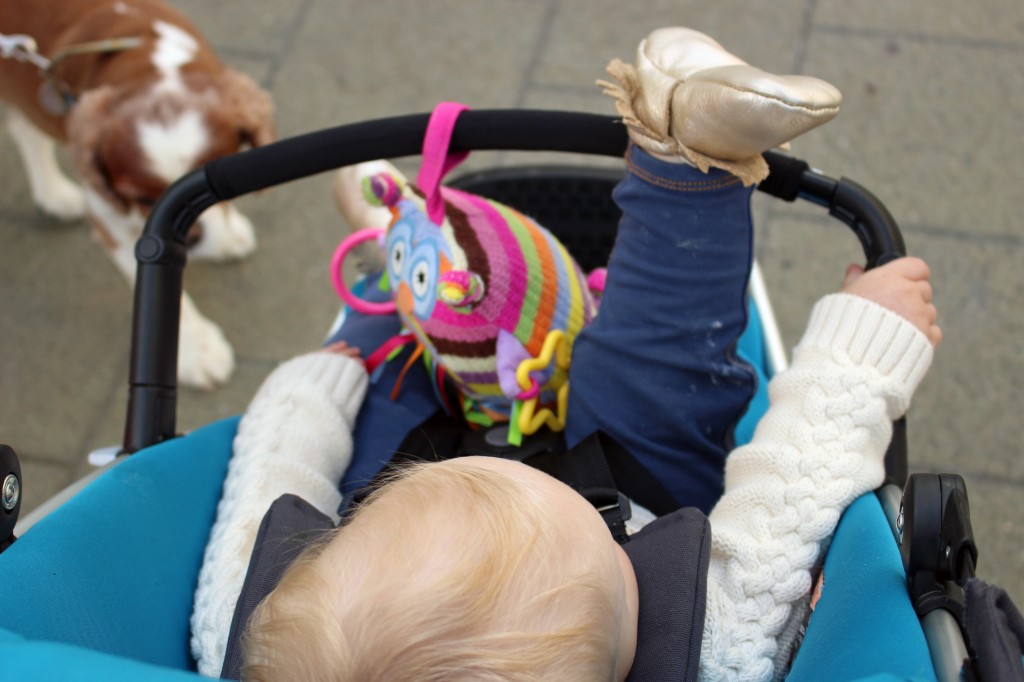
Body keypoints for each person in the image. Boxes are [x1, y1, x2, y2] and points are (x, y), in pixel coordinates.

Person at [191, 27, 940, 682]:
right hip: (626, 485)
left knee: (380, 362)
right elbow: (789, 499)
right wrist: (864, 340)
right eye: (618, 569)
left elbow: (270, 478)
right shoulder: (717, 653)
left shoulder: (256, 633)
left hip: (398, 490)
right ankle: (688, 155)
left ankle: (402, 233)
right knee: (657, 384)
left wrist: (319, 383)